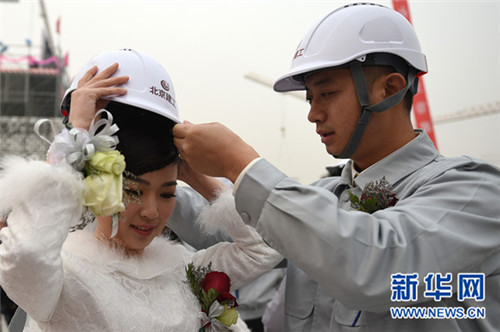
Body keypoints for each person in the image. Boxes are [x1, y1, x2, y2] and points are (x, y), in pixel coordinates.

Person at [171, 3, 500, 331]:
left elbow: (375, 266)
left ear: (391, 89)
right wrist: (166, 178)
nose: (313, 114)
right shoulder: (327, 196)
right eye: (310, 98)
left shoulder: (473, 193)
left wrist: (238, 163)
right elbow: (228, 230)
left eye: (327, 93)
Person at [0, 49, 282, 331]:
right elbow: (25, 254)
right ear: (96, 183)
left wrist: (195, 173)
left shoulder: (183, 270)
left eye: (167, 194)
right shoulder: (64, 274)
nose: (151, 212)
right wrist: (74, 139)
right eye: (133, 191)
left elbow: (266, 247)